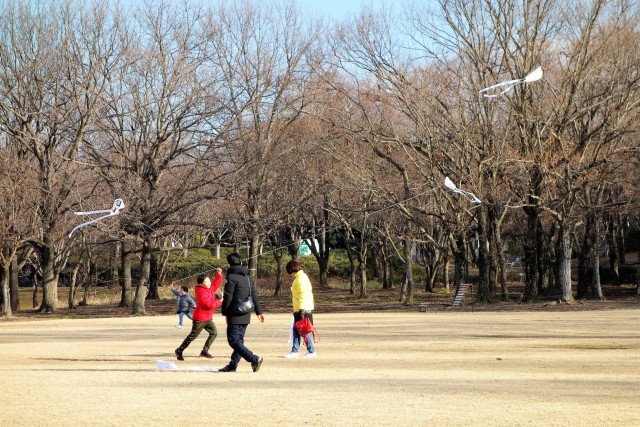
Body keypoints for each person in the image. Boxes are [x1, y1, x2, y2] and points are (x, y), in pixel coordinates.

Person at [218, 252, 264, 373]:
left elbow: (228, 296)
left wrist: (225, 311)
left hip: (235, 312)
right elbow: (254, 294)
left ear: (229, 263)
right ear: (240, 261)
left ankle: (253, 358)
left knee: (233, 340)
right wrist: (259, 311)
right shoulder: (248, 277)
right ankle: (233, 365)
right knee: (239, 340)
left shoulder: (232, 277)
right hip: (246, 311)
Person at [175, 269, 223, 361]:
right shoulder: (201, 292)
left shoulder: (209, 288)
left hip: (208, 318)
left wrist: (219, 274)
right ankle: (179, 350)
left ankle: (204, 351)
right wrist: (220, 301)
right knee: (193, 336)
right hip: (200, 318)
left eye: (209, 281)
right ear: (201, 283)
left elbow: (215, 284)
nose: (209, 283)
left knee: (214, 333)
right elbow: (209, 305)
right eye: (207, 281)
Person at [282, 259, 316, 358]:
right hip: (302, 308)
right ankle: (295, 351)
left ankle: (311, 351)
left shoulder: (300, 279)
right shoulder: (301, 277)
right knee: (297, 330)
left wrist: (301, 309)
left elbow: (302, 294)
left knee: (302, 330)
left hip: (302, 308)